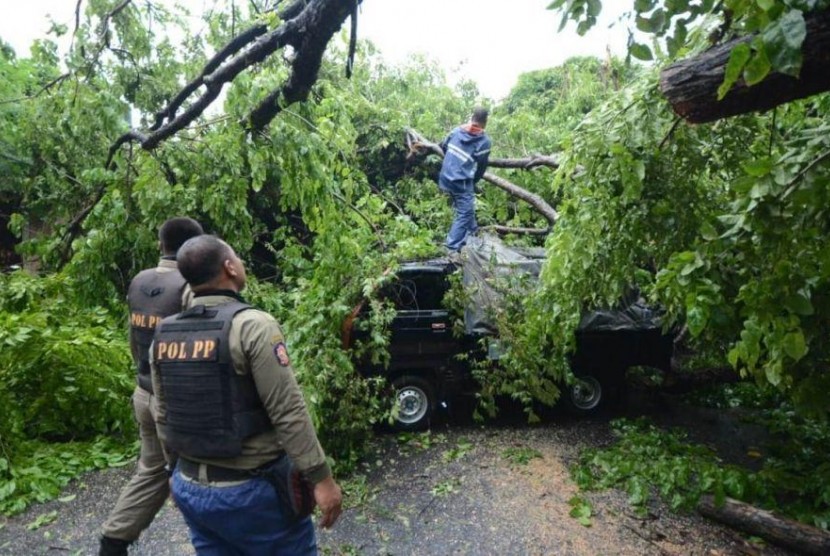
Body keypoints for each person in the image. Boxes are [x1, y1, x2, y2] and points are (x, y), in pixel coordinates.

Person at [150, 235, 342, 554]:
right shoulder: (253, 326)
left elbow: (163, 414)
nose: (240, 263)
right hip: (251, 492)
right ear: (230, 268)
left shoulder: (165, 333)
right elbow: (288, 410)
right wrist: (321, 479)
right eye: (237, 257)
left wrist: (173, 471)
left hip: (190, 487)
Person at [99, 217, 204, 556]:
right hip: (175, 404)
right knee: (204, 478)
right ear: (194, 248)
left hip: (143, 393)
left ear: (161, 244)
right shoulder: (190, 285)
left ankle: (113, 542)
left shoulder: (139, 281)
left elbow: (134, 342)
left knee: (151, 471)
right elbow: (202, 347)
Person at [438, 107, 492, 252]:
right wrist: (473, 181)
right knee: (465, 212)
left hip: (445, 176)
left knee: (466, 207)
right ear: (485, 122)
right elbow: (481, 167)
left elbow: (443, 146)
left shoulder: (456, 131)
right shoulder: (484, 141)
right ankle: (451, 248)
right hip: (459, 181)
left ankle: (473, 234)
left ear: (472, 117)